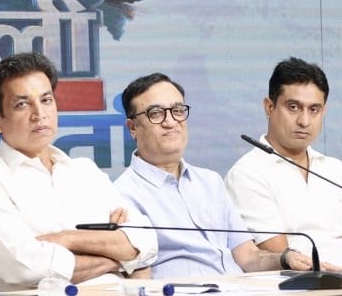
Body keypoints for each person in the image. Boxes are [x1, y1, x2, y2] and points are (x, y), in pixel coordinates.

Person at [0, 52, 156, 292]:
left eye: (46, 100)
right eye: (22, 104)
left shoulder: (84, 171)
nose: (39, 114)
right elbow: (24, 267)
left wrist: (66, 238)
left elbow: (146, 241)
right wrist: (118, 258)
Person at [114, 73, 317, 277]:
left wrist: (284, 259)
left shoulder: (210, 182)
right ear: (133, 128)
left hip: (239, 287)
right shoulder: (122, 196)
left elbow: (248, 257)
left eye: (177, 111)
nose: (171, 122)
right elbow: (138, 277)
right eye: (156, 113)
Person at [225, 57, 342, 267]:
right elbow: (279, 256)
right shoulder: (247, 173)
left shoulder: (335, 169)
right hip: (304, 282)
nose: (304, 121)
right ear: (269, 107)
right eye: (293, 107)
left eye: (314, 110)